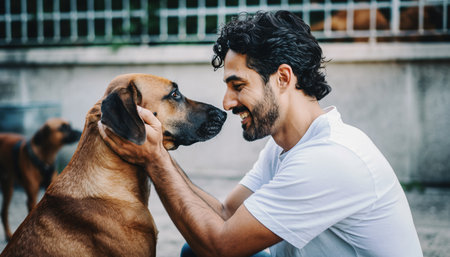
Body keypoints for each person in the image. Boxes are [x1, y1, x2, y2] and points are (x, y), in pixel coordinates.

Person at [99, 10, 423, 257]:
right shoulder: (285, 147)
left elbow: (220, 247)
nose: (226, 103)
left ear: (283, 78)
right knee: (192, 249)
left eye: (238, 86)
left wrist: (155, 161)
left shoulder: (330, 158)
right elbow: (225, 214)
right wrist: (160, 154)